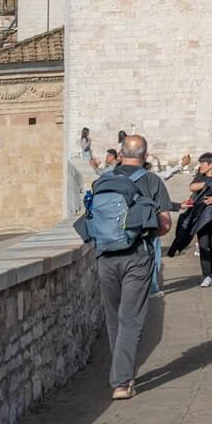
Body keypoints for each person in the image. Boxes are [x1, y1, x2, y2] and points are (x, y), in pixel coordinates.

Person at [77, 133, 173, 401]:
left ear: (120, 153)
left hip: (105, 256)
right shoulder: (152, 181)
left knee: (113, 318)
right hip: (137, 257)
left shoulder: (103, 181)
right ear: (145, 154)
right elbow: (165, 225)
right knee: (131, 318)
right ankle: (121, 381)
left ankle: (121, 372)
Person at [181, 153, 212, 287]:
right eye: (200, 163)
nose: (200, 165)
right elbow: (192, 187)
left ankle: (211, 274)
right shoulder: (199, 177)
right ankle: (206, 275)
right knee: (203, 246)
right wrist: (206, 183)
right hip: (201, 217)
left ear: (211, 165)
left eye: (203, 163)